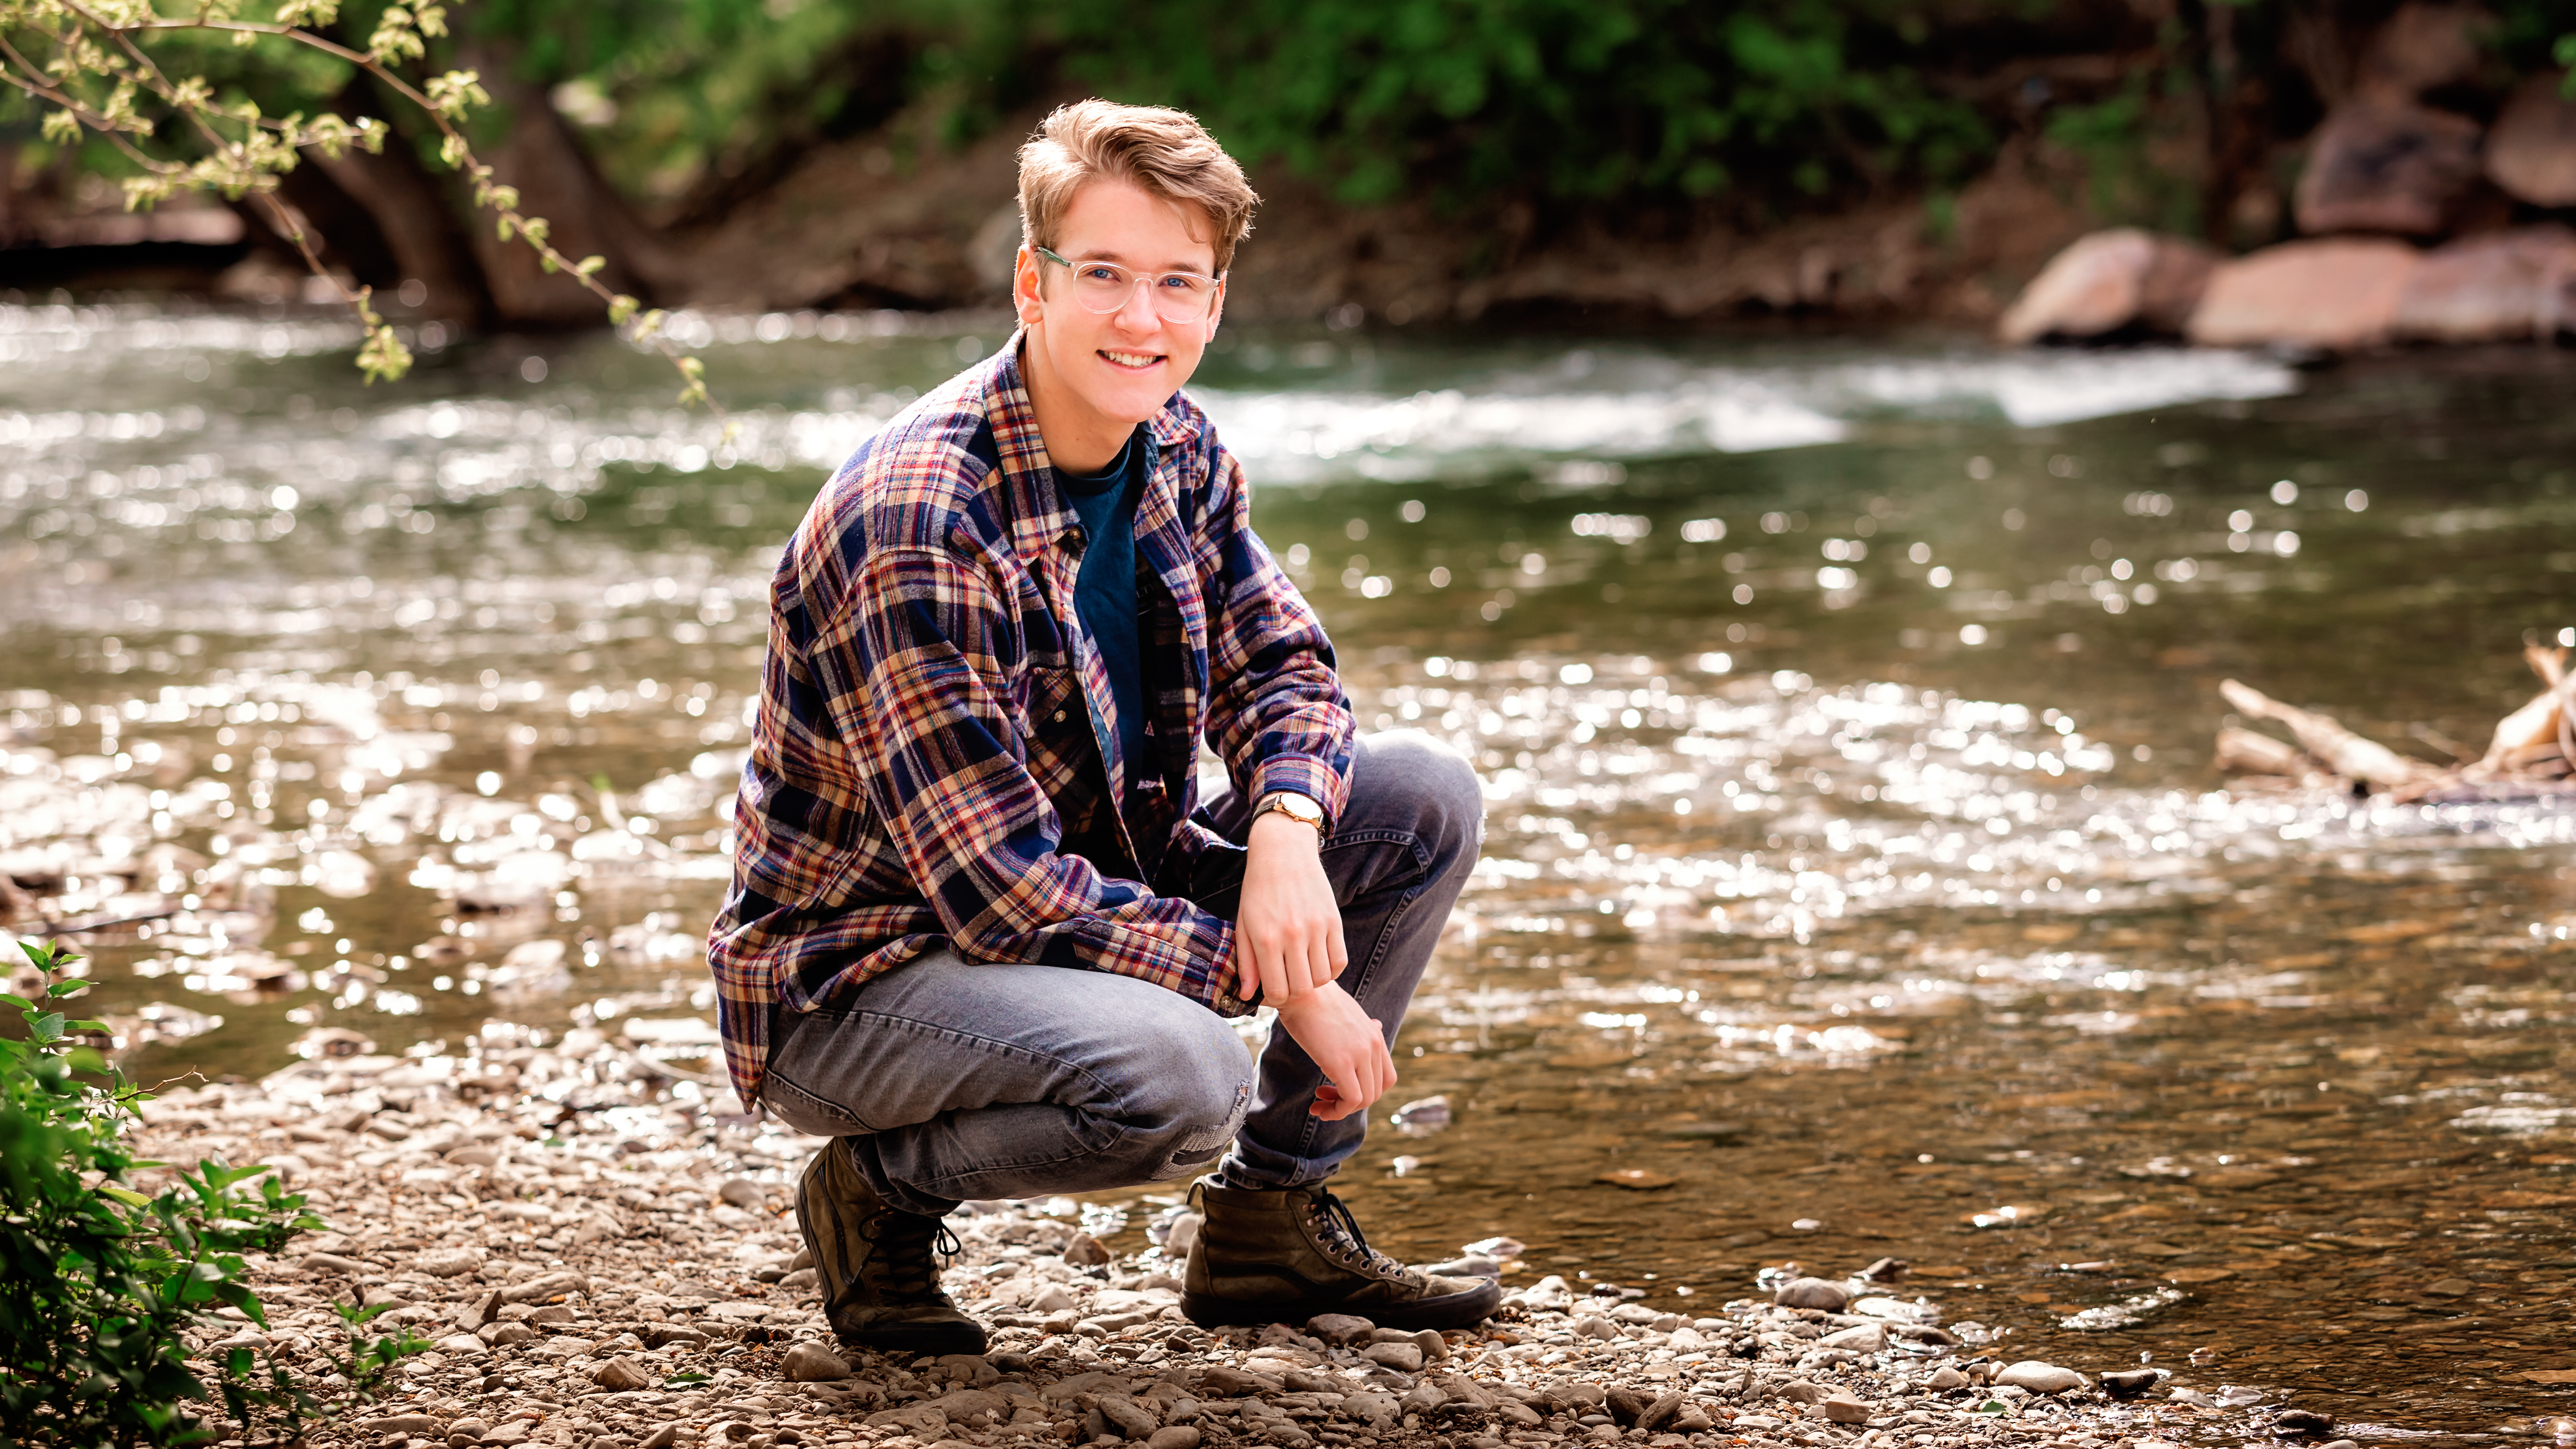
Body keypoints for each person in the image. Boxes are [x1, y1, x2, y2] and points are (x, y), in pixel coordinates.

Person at [706, 98, 1495, 1356]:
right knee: (1187, 1079)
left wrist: (1288, 832)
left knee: (1419, 798)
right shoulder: (921, 517)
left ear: (1217, 303)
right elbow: (1002, 894)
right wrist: (1301, 988)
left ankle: (1268, 1223)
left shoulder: (1174, 441)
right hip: (860, 978)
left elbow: (1282, 662)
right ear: (1034, 282)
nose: (1144, 319)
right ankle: (876, 1195)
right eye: (1107, 275)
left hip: (1080, 887)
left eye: (1179, 281)